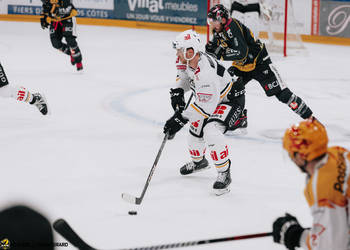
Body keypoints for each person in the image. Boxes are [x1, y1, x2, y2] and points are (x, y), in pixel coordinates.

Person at [163, 29, 247, 195]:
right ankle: (199, 162)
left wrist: (179, 119)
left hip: (230, 100)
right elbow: (184, 77)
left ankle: (224, 173)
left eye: (180, 50)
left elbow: (204, 108)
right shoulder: (188, 60)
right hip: (210, 99)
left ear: (191, 51)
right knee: (194, 132)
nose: (177, 53)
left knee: (211, 131)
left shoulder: (206, 73)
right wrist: (177, 92)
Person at [206, 4, 313, 120]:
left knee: (283, 94)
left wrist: (221, 55)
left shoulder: (232, 26)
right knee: (227, 90)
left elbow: (242, 53)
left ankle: (310, 118)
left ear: (223, 19)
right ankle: (239, 119)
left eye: (214, 21)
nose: (212, 24)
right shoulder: (217, 31)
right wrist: (211, 50)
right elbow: (217, 50)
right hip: (241, 66)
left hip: (260, 64)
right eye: (210, 21)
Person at [272, 118, 350, 250]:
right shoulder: (338, 152)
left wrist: (299, 236)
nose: (291, 158)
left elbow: (333, 246)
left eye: (292, 154)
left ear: (301, 156)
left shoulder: (323, 187)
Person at [40, 0, 83, 71]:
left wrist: (59, 10)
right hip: (55, 20)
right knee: (55, 43)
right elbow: (45, 8)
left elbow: (69, 7)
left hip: (68, 18)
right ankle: (71, 53)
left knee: (70, 40)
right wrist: (43, 18)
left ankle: (78, 62)